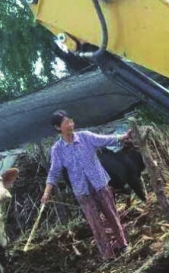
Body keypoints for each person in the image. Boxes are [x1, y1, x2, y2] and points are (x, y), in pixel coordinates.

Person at [41, 110, 132, 260]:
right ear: (58, 128)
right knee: (95, 225)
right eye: (66, 123)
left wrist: (124, 137)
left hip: (100, 185)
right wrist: (46, 192)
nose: (71, 124)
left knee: (112, 216)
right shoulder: (57, 149)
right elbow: (54, 172)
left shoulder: (86, 137)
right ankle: (107, 256)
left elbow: (106, 139)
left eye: (71, 121)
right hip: (82, 192)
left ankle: (123, 245)